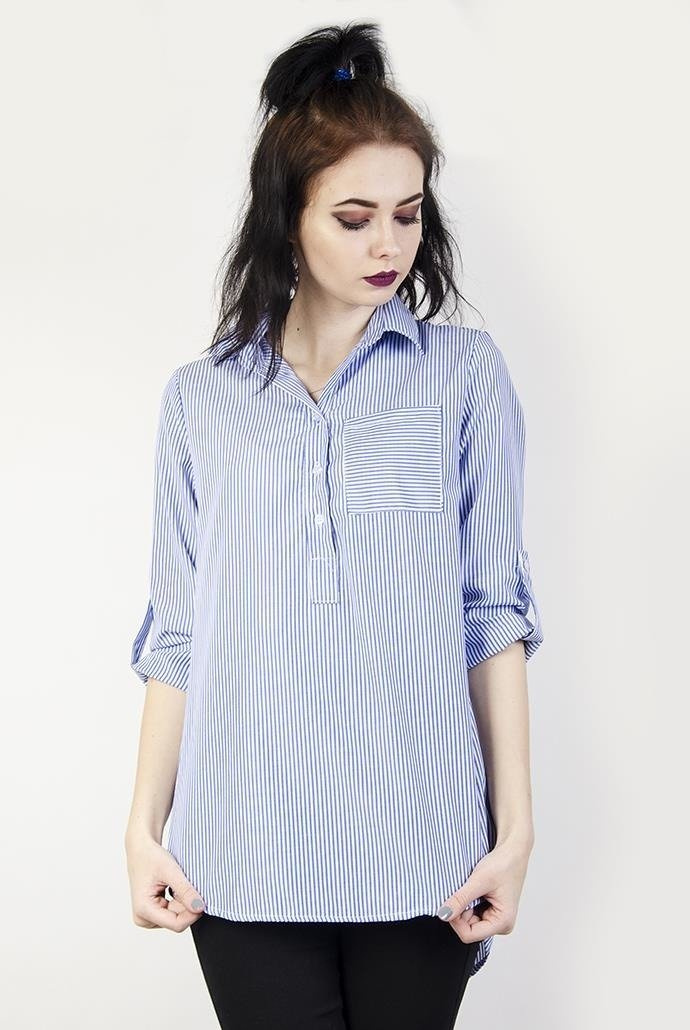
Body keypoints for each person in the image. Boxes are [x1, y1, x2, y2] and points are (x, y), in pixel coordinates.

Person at [124, 20, 544, 1030]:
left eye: (407, 214)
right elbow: (178, 632)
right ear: (288, 219)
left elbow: (492, 613)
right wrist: (142, 826)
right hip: (242, 853)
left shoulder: (462, 377)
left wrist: (516, 830)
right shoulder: (203, 400)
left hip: (425, 851)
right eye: (354, 218)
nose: (388, 244)